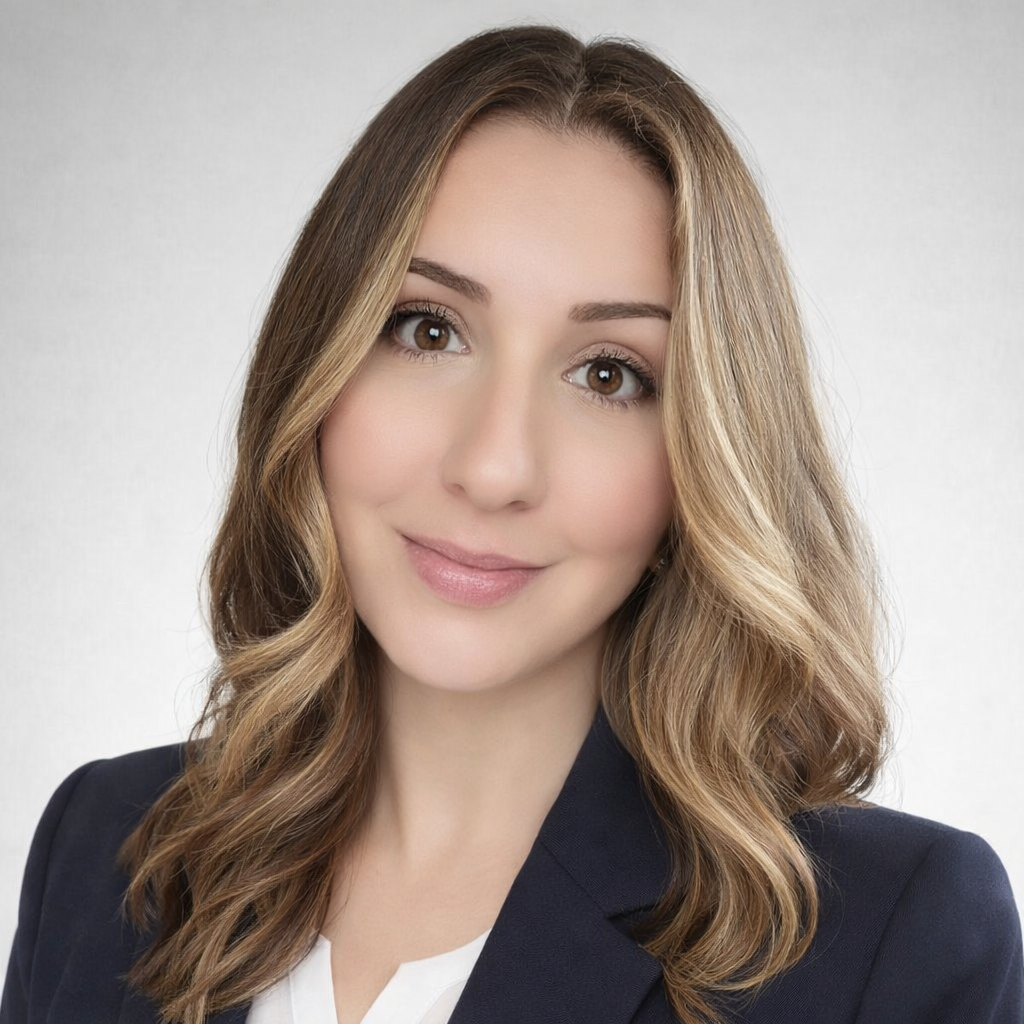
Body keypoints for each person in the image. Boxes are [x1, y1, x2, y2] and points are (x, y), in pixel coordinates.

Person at [2, 23, 1021, 1024]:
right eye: (427, 329)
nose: (493, 469)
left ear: (702, 459)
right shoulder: (107, 852)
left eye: (608, 375)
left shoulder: (887, 942)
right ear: (315, 368)